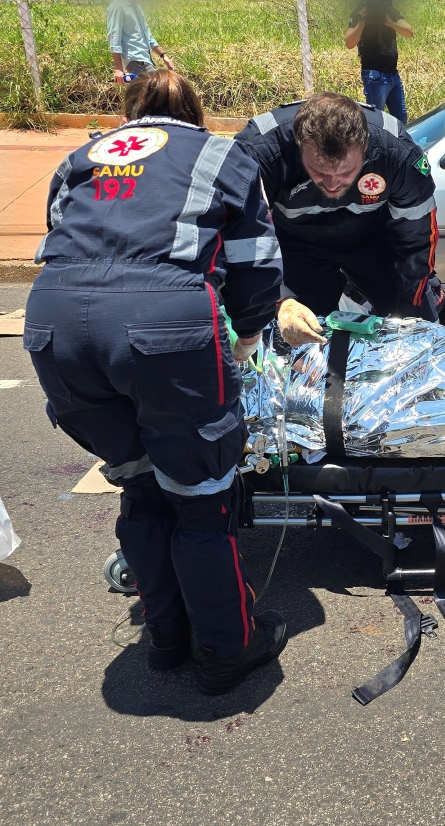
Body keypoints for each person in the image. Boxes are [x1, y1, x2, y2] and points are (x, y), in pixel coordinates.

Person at [24, 71, 286, 694]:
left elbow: (62, 240)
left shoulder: (79, 157)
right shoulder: (223, 155)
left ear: (130, 113)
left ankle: (165, 638)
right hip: (162, 324)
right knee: (201, 496)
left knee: (140, 483)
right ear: (195, 113)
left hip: (55, 324)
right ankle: (226, 647)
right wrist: (245, 340)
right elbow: (257, 265)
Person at [233, 92, 443, 345]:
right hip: (296, 245)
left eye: (345, 172)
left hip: (374, 240)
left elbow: (417, 239)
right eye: (318, 171)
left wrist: (413, 302)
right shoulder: (258, 153)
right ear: (298, 145)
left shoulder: (396, 153)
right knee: (300, 335)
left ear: (365, 147)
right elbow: (240, 239)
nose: (332, 185)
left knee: (416, 325)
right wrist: (280, 300)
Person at [344, 0, 413, 126]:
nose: (378, 1)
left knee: (401, 120)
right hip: (374, 74)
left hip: (393, 73)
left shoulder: (390, 11)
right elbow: (349, 43)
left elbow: (409, 32)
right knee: (376, 122)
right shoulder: (359, 13)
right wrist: (362, 21)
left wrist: (391, 23)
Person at [107, 0, 174, 83]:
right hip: (134, 60)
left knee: (151, 94)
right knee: (146, 95)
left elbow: (148, 35)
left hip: (146, 60)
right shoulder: (117, 6)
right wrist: (118, 69)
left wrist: (164, 56)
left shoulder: (136, 5)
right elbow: (114, 37)